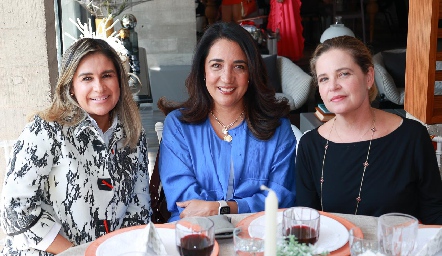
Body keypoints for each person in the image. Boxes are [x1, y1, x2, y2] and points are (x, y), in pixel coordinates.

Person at [0, 38, 152, 255]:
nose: (99, 87)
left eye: (107, 75)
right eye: (87, 78)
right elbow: (15, 211)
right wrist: (78, 253)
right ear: (71, 86)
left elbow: (139, 209)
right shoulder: (45, 129)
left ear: (119, 80)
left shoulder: (133, 134)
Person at [158, 22, 297, 222]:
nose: (227, 77)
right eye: (216, 65)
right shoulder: (178, 125)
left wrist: (222, 208)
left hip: (259, 234)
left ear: (251, 73)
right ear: (203, 71)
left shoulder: (278, 127)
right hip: (194, 235)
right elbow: (184, 201)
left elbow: (281, 197)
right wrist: (243, 207)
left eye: (239, 66)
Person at [295, 35, 442, 224]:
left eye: (344, 74)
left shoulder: (412, 137)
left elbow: (435, 213)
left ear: (369, 77)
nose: (333, 86)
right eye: (324, 79)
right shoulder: (310, 145)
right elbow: (306, 223)